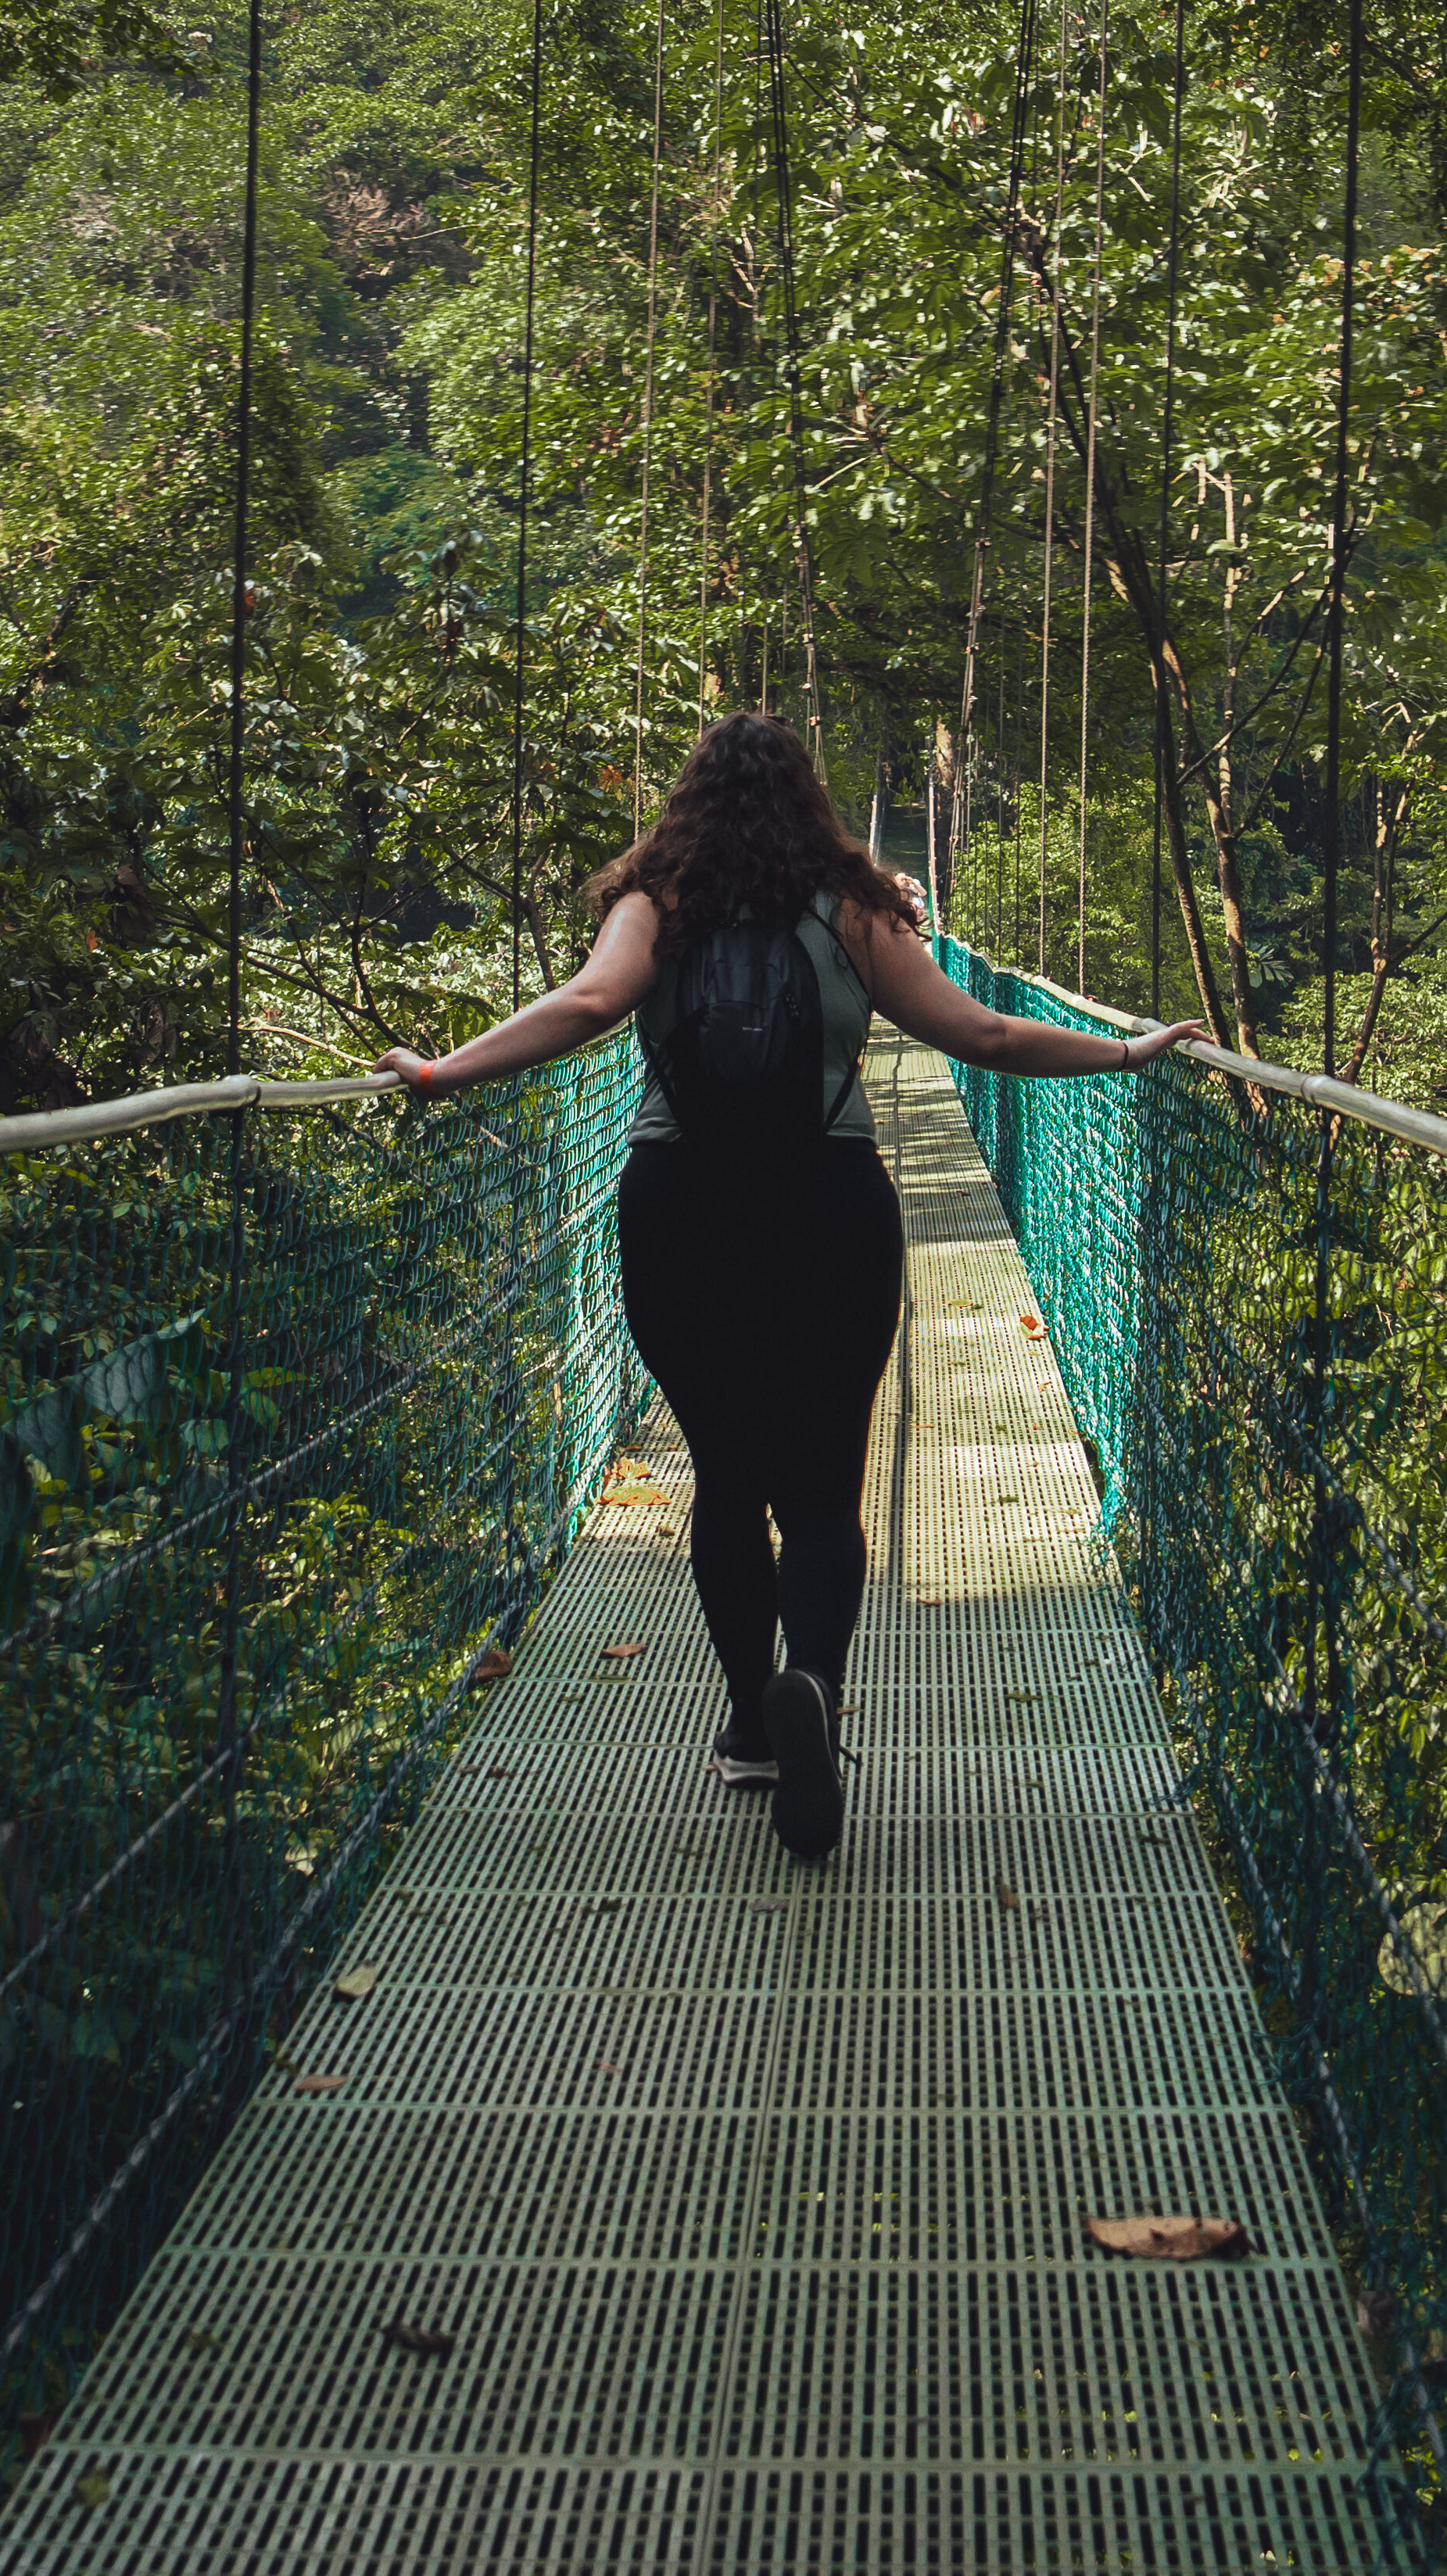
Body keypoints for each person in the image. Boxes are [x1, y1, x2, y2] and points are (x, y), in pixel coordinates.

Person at [380, 713, 1194, 1859]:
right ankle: (810, 1679)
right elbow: (987, 1035)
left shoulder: (654, 902)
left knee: (725, 1477)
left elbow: (587, 1006)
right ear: (808, 796)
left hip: (681, 1211)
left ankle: (751, 1727)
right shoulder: (855, 907)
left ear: (687, 800)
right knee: (821, 1486)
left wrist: (439, 1070)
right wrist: (1124, 1052)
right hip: (829, 1208)